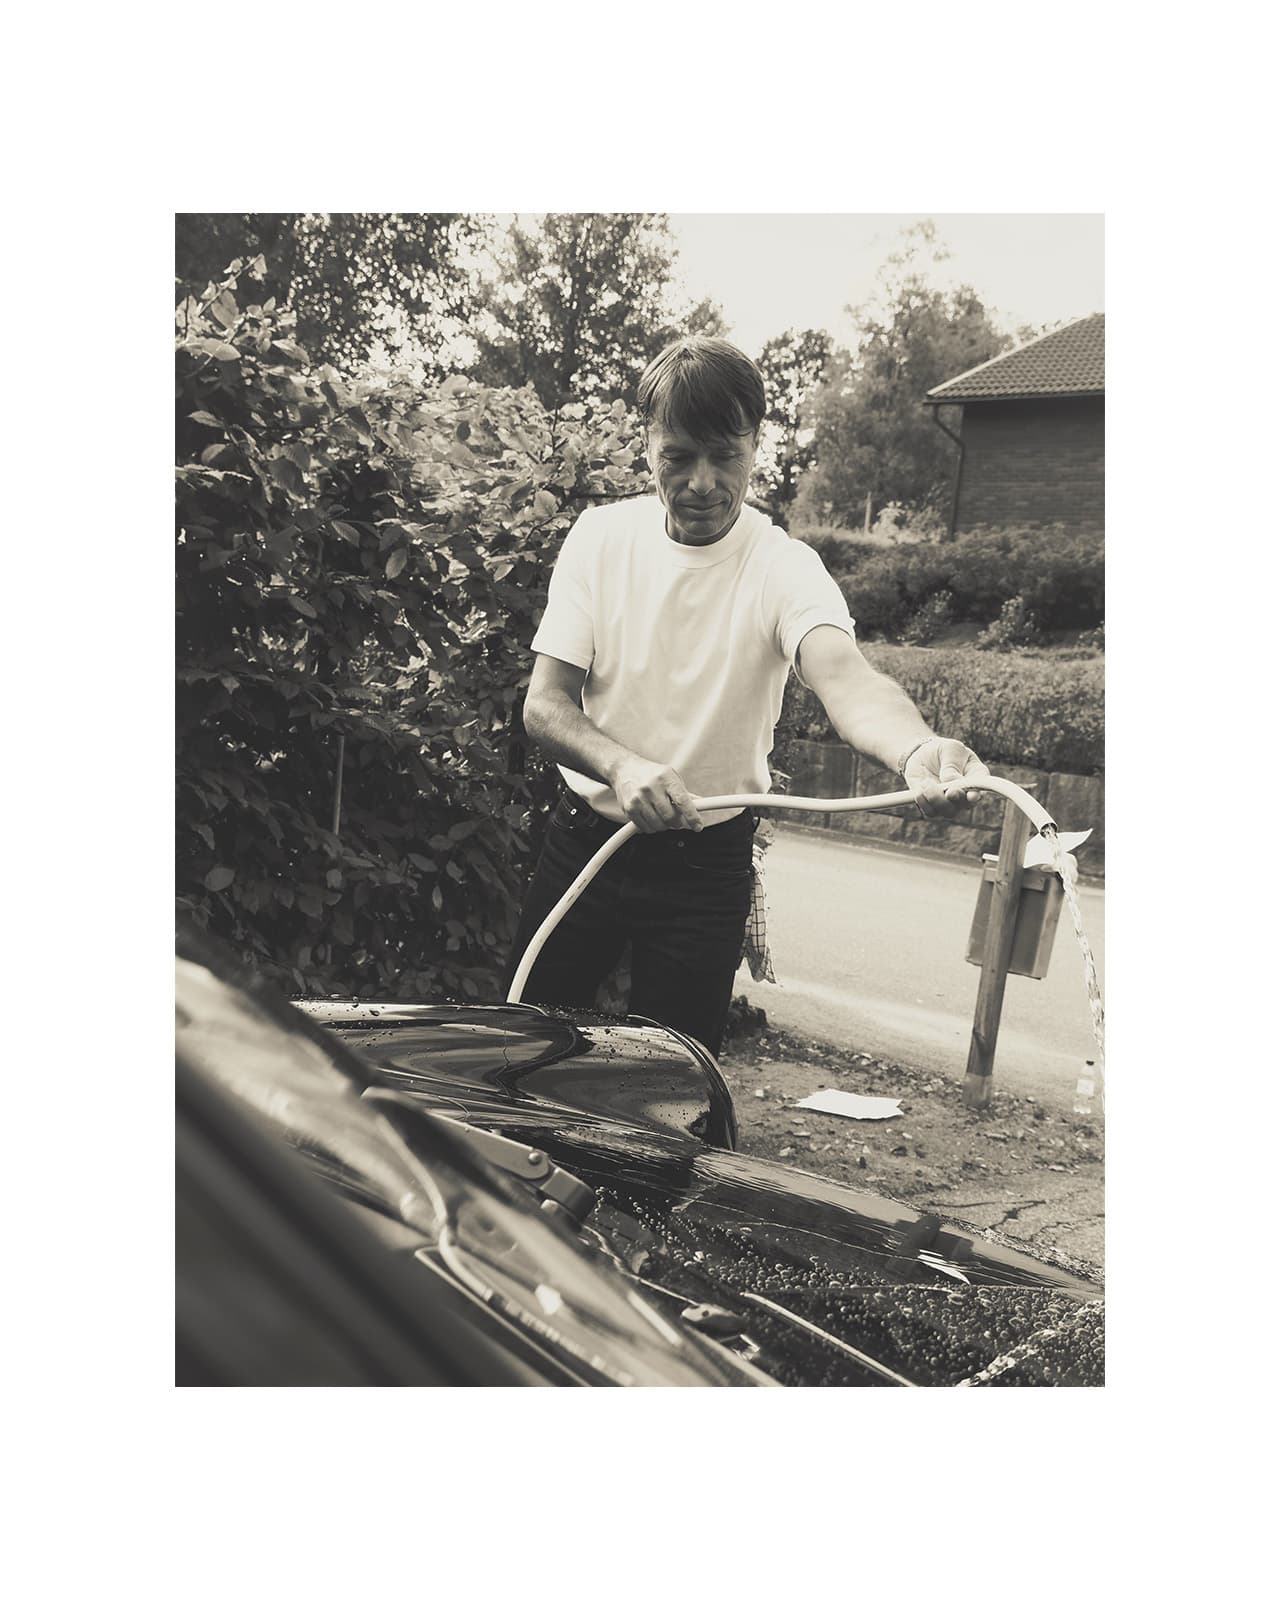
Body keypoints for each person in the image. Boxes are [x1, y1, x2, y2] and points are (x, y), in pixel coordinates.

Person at [506, 335, 989, 1056]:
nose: (702, 482)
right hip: (587, 839)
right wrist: (621, 765)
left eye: (724, 456)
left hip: (705, 867)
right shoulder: (600, 539)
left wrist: (916, 747)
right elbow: (545, 705)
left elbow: (847, 679)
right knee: (523, 1053)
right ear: (647, 444)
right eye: (678, 457)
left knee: (676, 1085)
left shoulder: (783, 568)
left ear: (756, 446)